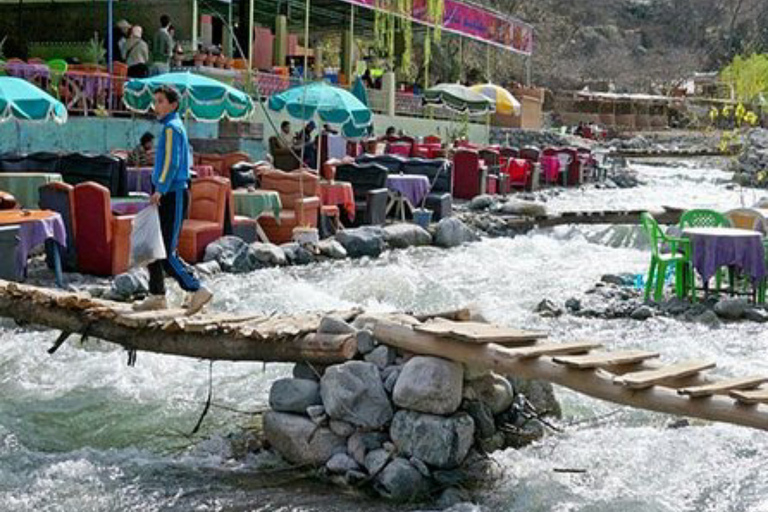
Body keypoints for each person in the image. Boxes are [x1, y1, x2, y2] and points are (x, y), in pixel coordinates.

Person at [133, 86, 212, 314]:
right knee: (152, 246)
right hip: (166, 192)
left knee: (166, 250)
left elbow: (172, 163)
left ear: (173, 105)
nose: (155, 106)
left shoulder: (171, 128)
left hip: (172, 193)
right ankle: (157, 295)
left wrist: (161, 189)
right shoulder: (172, 127)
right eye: (155, 101)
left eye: (160, 101)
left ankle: (196, 288)